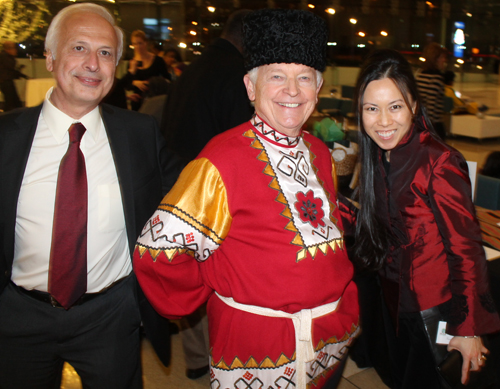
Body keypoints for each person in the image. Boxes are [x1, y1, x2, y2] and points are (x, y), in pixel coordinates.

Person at [134, 9, 360, 389]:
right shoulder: (220, 160)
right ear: (250, 88)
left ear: (317, 90)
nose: (292, 90)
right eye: (277, 76)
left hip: (331, 343)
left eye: (304, 77)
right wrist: (216, 276)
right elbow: (156, 252)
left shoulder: (321, 152)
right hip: (260, 355)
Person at [0, 3, 177, 388]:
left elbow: (185, 201)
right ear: (50, 58)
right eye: (78, 48)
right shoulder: (5, 137)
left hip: (110, 315)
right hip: (18, 316)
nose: (93, 64)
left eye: (106, 53)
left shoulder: (140, 134)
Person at [352, 49, 500, 388]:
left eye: (395, 106)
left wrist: (467, 328)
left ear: (414, 107)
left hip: (433, 310)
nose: (384, 121)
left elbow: (467, 251)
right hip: (394, 302)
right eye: (371, 109)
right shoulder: (379, 155)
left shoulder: (440, 162)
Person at [160, 9, 254, 380]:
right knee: (217, 272)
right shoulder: (234, 75)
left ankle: (197, 358)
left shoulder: (194, 66)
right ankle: (224, 354)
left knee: (192, 269)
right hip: (210, 191)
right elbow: (242, 144)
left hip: (176, 182)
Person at [161, 10, 254, 166]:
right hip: (209, 179)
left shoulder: (195, 68)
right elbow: (244, 141)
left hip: (177, 172)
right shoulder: (236, 75)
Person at [122, 30, 169, 110]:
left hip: (154, 99)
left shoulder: (158, 60)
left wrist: (152, 82)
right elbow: (126, 85)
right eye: (135, 44)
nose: (138, 46)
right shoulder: (132, 62)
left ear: (146, 42)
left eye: (140, 43)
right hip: (137, 100)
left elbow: (166, 79)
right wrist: (135, 83)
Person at [415, 42, 448, 139]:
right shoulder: (436, 78)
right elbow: (431, 106)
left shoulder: (420, 76)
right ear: (436, 59)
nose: (444, 60)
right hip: (433, 125)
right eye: (442, 58)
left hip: (419, 124)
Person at [0, 41, 27, 111]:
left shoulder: (5, 56)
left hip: (6, 80)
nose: (16, 50)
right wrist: (23, 75)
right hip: (5, 81)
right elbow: (11, 69)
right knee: (10, 99)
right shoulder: (5, 57)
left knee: (12, 99)